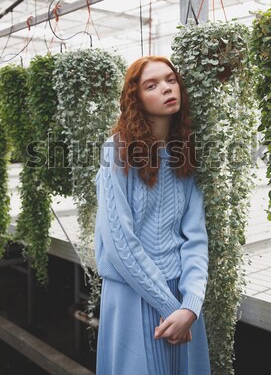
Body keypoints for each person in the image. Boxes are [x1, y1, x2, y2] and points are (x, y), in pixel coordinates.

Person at [94, 56, 210, 375]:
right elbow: (120, 245)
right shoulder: (117, 151)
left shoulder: (184, 151)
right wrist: (173, 309)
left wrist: (191, 304)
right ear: (136, 98)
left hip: (180, 297)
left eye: (171, 80)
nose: (166, 88)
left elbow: (196, 239)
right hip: (133, 296)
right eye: (152, 84)